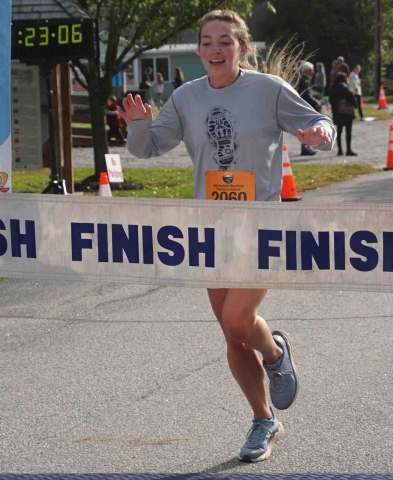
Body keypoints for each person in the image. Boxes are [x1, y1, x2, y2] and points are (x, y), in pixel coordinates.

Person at [118, 9, 336, 463]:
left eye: (225, 41)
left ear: (242, 48)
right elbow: (147, 148)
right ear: (199, 49)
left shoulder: (268, 89)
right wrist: (138, 124)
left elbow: (321, 125)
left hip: (262, 226)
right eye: (207, 42)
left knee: (238, 320)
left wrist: (318, 132)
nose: (215, 49)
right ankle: (264, 420)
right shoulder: (186, 97)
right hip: (211, 228)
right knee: (232, 335)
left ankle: (275, 354)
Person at [329, 72, 357, 156]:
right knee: (348, 132)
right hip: (347, 113)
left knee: (339, 131)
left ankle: (340, 150)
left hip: (337, 112)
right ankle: (348, 149)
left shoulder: (332, 88)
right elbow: (352, 98)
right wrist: (355, 105)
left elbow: (330, 100)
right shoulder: (345, 88)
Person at [298, 61, 322, 156]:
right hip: (306, 107)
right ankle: (305, 148)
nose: (313, 72)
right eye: (311, 70)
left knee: (306, 127)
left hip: (304, 106)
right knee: (307, 127)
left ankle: (306, 147)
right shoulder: (305, 81)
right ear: (307, 70)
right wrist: (317, 103)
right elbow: (307, 95)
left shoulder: (304, 80)